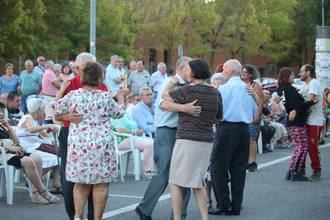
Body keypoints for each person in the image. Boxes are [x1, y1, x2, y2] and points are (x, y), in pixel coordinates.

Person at [53, 61, 125, 220]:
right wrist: (121, 98)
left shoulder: (74, 95)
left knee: (80, 183)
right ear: (100, 77)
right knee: (101, 183)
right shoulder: (105, 97)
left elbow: (55, 110)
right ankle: (97, 218)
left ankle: (78, 216)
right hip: (102, 145)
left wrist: (63, 96)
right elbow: (119, 113)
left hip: (79, 145)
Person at [135, 57, 200, 220]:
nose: (193, 72)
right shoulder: (171, 82)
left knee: (183, 174)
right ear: (182, 67)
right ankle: (144, 209)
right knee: (164, 173)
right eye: (190, 68)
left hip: (180, 132)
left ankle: (179, 215)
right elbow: (165, 104)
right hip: (167, 132)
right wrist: (185, 108)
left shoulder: (184, 84)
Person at [163, 58, 222, 220]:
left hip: (187, 138)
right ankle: (205, 217)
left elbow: (164, 96)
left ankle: (176, 217)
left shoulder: (188, 90)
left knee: (175, 181)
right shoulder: (215, 92)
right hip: (207, 140)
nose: (187, 72)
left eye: (189, 70)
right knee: (198, 181)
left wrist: (172, 82)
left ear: (194, 72)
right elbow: (219, 117)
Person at [209, 59, 257, 216]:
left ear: (230, 71)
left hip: (226, 128)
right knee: (238, 169)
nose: (223, 70)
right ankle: (236, 205)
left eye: (225, 68)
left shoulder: (223, 88)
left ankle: (223, 204)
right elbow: (254, 112)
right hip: (244, 129)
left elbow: (215, 111)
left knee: (218, 167)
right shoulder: (247, 89)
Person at [0, 102, 60, 204]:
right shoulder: (28, 117)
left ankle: (35, 194)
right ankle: (42, 192)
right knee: (28, 161)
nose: (1, 113)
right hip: (4, 154)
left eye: (2, 111)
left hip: (15, 151)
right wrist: (7, 146)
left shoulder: (3, 125)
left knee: (37, 158)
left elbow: (17, 142)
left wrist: (10, 130)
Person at [277, 67, 317, 181]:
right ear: (287, 76)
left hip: (292, 122)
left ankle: (291, 171)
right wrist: (310, 102)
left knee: (298, 147)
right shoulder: (289, 89)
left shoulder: (282, 89)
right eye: (292, 75)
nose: (294, 76)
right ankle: (296, 172)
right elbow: (297, 106)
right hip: (297, 121)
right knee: (303, 147)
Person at [15, 98, 61, 192]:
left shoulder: (33, 119)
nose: (43, 112)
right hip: (28, 147)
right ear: (38, 110)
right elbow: (31, 129)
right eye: (42, 110)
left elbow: (42, 133)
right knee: (55, 156)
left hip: (33, 144)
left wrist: (49, 130)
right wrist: (47, 126)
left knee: (58, 156)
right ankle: (32, 180)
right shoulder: (28, 117)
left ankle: (56, 183)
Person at [298, 64, 324, 181]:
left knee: (312, 147)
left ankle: (316, 170)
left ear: (308, 72)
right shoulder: (304, 85)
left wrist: (296, 108)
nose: (299, 74)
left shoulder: (314, 83)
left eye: (302, 71)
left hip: (315, 121)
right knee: (304, 146)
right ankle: (300, 169)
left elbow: (308, 100)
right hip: (306, 120)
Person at [111, 112, 154, 178]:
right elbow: (118, 130)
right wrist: (133, 132)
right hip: (120, 140)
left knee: (154, 142)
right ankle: (147, 172)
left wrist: (137, 131)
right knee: (149, 144)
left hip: (131, 138)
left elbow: (133, 126)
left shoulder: (126, 114)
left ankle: (161, 170)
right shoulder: (113, 115)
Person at [241, 64, 264, 172]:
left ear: (250, 74)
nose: (242, 73)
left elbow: (260, 102)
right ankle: (245, 160)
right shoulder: (240, 84)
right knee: (244, 140)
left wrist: (257, 115)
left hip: (253, 115)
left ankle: (252, 162)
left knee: (252, 139)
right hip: (243, 115)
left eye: (245, 72)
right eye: (242, 71)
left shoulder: (256, 85)